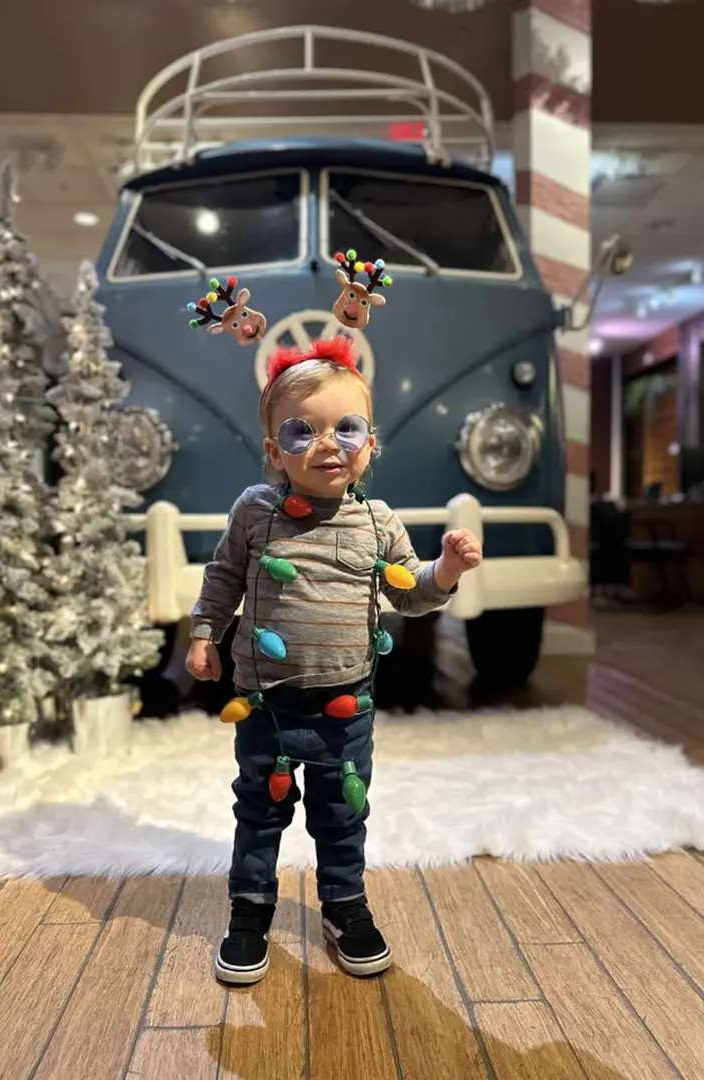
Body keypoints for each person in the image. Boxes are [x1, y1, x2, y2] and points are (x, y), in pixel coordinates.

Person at [186, 327, 482, 988]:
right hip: (264, 701)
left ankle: (344, 904)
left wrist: (447, 569)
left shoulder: (378, 523)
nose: (327, 444)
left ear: (369, 445)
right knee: (259, 811)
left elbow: (410, 598)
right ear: (273, 451)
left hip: (346, 705)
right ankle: (250, 911)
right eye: (302, 431)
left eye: (346, 429)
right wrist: (204, 633)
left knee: (343, 813)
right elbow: (223, 577)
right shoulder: (256, 513)